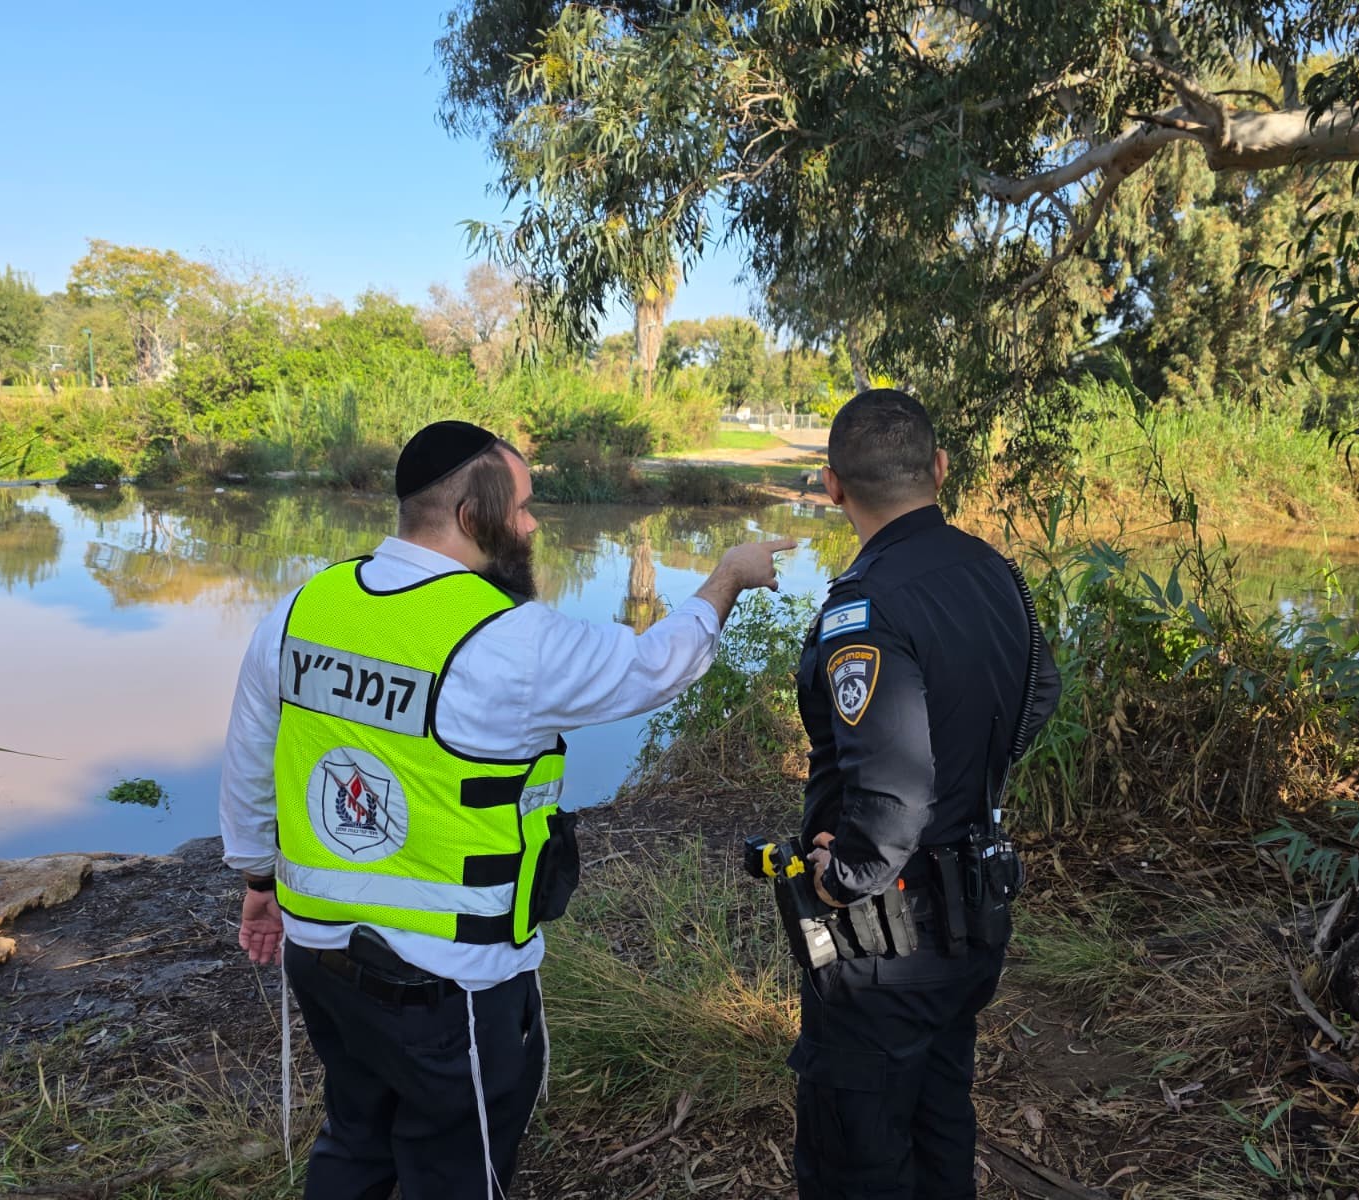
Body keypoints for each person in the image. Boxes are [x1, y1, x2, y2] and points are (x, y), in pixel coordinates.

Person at [219, 420, 793, 1200]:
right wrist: (726, 576)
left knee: (355, 1138)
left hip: (319, 957)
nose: (531, 524)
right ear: (471, 516)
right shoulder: (510, 642)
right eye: (522, 507)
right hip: (448, 983)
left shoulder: (300, 610)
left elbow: (250, 759)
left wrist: (259, 880)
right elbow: (655, 666)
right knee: (455, 1170)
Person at [788, 388, 1059, 1199]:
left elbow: (891, 796)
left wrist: (844, 875)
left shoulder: (863, 612)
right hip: (975, 913)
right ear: (940, 468)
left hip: (888, 942)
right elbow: (1039, 694)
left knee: (856, 1157)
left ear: (832, 486)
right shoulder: (996, 572)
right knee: (941, 1115)